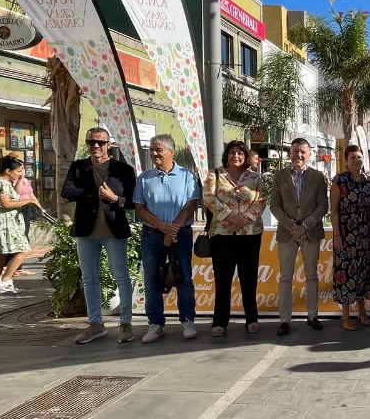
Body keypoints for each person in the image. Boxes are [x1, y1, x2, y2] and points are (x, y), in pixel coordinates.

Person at [62, 127, 138, 345]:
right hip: (86, 232)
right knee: (89, 279)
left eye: (100, 142)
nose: (96, 146)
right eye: (91, 142)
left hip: (114, 232)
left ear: (109, 145)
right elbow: (66, 192)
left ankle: (125, 323)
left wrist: (115, 198)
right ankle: (95, 324)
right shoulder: (78, 168)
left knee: (121, 277)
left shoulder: (123, 169)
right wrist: (91, 192)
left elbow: (133, 201)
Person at [133, 134, 201, 344]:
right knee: (152, 278)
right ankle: (155, 323)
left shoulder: (187, 176)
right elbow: (139, 207)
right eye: (152, 149)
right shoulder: (144, 178)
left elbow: (191, 205)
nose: (154, 153)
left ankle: (187, 320)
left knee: (183, 277)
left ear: (171, 151)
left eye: (158, 149)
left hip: (180, 234)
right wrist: (162, 227)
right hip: (152, 234)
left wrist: (173, 230)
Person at [205, 140, 268, 335]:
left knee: (248, 279)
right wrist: (230, 216)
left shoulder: (254, 177)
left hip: (249, 234)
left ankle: (252, 319)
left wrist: (245, 219)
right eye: (232, 152)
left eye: (240, 153)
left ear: (246, 156)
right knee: (223, 280)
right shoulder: (214, 174)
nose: (236, 156)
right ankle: (220, 322)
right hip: (222, 235)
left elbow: (262, 201)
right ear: (226, 155)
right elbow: (209, 198)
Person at [270, 138, 329, 336]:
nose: (299, 155)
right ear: (290, 153)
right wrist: (291, 226)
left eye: (303, 151)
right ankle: (285, 320)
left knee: (311, 276)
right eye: (295, 151)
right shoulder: (279, 176)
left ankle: (313, 316)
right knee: (285, 277)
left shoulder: (318, 176)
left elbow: (323, 206)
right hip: (287, 234)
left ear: (309, 154)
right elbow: (275, 206)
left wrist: (304, 226)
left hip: (310, 232)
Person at [331, 145, 370, 330]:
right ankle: (345, 317)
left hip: (364, 234)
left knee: (363, 273)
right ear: (346, 160)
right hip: (345, 234)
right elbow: (333, 211)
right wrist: (336, 234)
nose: (357, 160)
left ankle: (362, 312)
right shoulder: (339, 181)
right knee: (346, 274)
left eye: (359, 157)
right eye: (353, 157)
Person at [0, 155, 38, 294]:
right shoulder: (1, 183)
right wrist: (28, 201)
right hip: (5, 223)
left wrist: (20, 179)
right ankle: (4, 281)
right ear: (7, 171)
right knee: (24, 250)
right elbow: (6, 204)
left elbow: (15, 196)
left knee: (1, 254)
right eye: (18, 171)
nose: (20, 173)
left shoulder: (4, 183)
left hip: (2, 221)